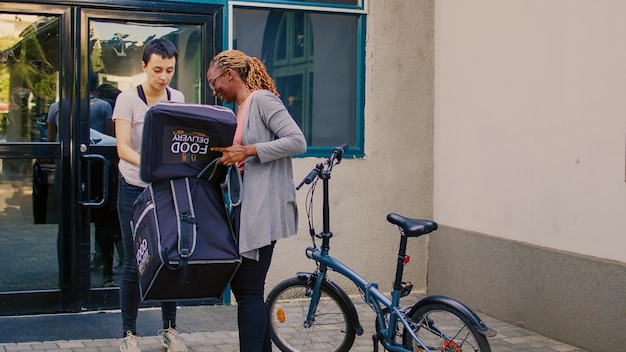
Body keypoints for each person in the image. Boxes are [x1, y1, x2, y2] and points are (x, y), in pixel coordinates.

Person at [207, 50, 307, 352]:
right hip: (246, 208)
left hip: (263, 209)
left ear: (230, 74)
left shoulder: (261, 100)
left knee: (248, 289)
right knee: (246, 288)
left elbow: (297, 141)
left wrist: (247, 151)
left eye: (214, 83)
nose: (214, 90)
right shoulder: (238, 109)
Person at [113, 38, 187, 352]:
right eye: (157, 69)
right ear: (144, 66)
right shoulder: (127, 99)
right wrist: (151, 165)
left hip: (165, 190)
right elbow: (122, 148)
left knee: (169, 258)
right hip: (134, 188)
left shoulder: (177, 98)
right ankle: (129, 334)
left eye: (169, 70)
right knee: (133, 263)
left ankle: (169, 329)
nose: (163, 76)